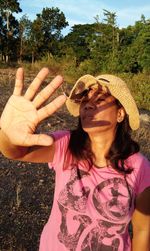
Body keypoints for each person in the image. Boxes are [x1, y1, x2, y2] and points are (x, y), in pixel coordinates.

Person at [0, 67, 150, 251]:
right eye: (85, 101)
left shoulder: (139, 166)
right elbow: (17, 152)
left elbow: (142, 229)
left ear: (120, 114)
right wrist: (7, 134)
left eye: (100, 100)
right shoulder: (66, 145)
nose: (87, 105)